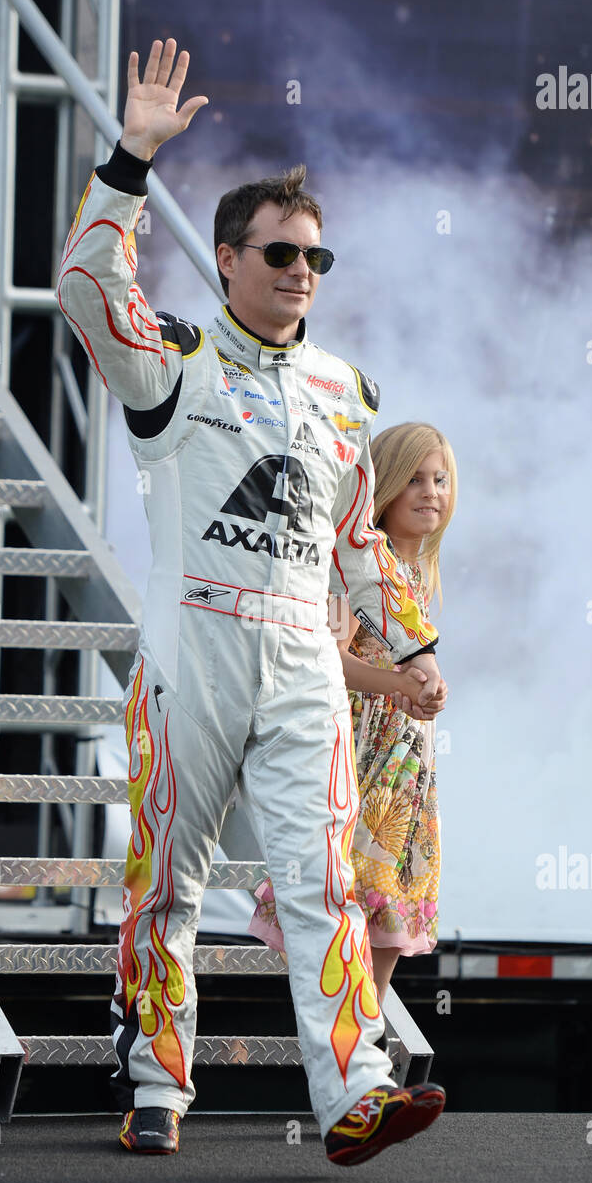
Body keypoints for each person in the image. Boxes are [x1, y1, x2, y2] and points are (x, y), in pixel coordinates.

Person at [57, 39, 448, 1166]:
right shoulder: (171, 357)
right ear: (227, 258)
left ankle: (352, 1095)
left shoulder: (344, 389)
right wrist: (133, 156)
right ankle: (155, 1081)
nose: (301, 272)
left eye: (317, 257)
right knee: (164, 881)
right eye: (280, 252)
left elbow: (354, 540)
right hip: (193, 648)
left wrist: (411, 644)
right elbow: (85, 288)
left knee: (324, 877)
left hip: (303, 662)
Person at [249, 422, 456, 1011]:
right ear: (383, 487)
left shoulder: (415, 574)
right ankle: (342, 1042)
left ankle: (364, 1046)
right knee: (347, 899)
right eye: (413, 479)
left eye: (440, 479)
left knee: (389, 905)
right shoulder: (358, 565)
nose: (430, 492)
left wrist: (425, 695)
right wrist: (398, 685)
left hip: (403, 766)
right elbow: (332, 662)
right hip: (357, 757)